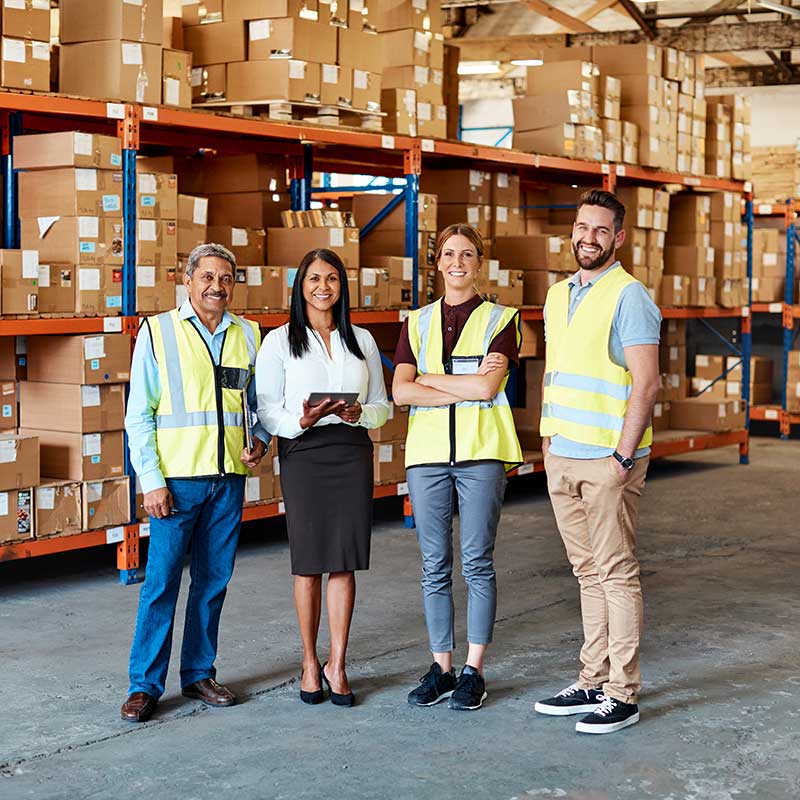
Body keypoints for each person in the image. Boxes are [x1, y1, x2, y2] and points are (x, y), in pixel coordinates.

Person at [121, 243, 268, 723]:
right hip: (176, 483)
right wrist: (152, 481)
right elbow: (138, 413)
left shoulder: (249, 334)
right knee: (161, 583)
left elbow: (258, 406)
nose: (216, 286)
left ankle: (199, 673)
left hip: (227, 479)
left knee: (213, 582)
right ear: (187, 281)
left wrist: (260, 442)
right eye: (207, 276)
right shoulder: (158, 331)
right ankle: (145, 685)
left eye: (226, 278)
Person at [534, 189, 661, 735]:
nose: (588, 238)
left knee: (615, 573)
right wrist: (546, 439)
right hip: (562, 452)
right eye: (582, 227)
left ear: (619, 237)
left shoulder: (629, 296)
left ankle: (622, 692)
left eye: (600, 230)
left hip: (610, 459)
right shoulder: (558, 294)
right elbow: (555, 371)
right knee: (586, 572)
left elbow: (647, 382)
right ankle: (591, 677)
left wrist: (623, 456)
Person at [392, 223, 522, 712]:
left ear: (479, 262)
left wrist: (429, 376)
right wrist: (458, 382)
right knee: (433, 565)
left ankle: (474, 670)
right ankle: (441, 668)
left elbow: (488, 390)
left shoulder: (502, 319)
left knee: (476, 562)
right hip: (426, 457)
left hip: (480, 452)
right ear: (438, 262)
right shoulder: (417, 321)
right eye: (449, 254)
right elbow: (400, 392)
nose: (458, 262)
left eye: (467, 254)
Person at [256, 248, 389, 707]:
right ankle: (310, 662)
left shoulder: (362, 340)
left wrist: (359, 413)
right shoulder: (278, 341)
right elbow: (267, 407)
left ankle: (339, 662)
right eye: (314, 278)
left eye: (332, 279)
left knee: (344, 559)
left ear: (342, 286)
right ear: (300, 286)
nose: (323, 287)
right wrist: (303, 420)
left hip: (350, 451)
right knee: (309, 560)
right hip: (304, 452)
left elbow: (382, 405)